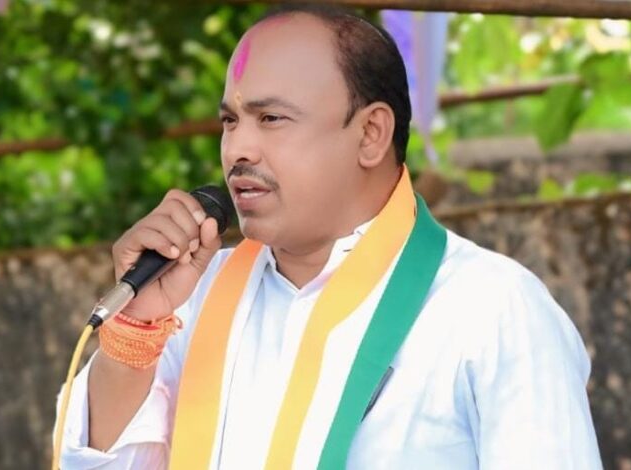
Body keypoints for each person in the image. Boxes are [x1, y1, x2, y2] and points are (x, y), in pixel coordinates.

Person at [56, 5, 603, 469]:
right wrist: (135, 333)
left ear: (371, 134)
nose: (237, 149)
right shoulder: (187, 294)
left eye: (271, 119)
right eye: (230, 121)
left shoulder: (492, 308)